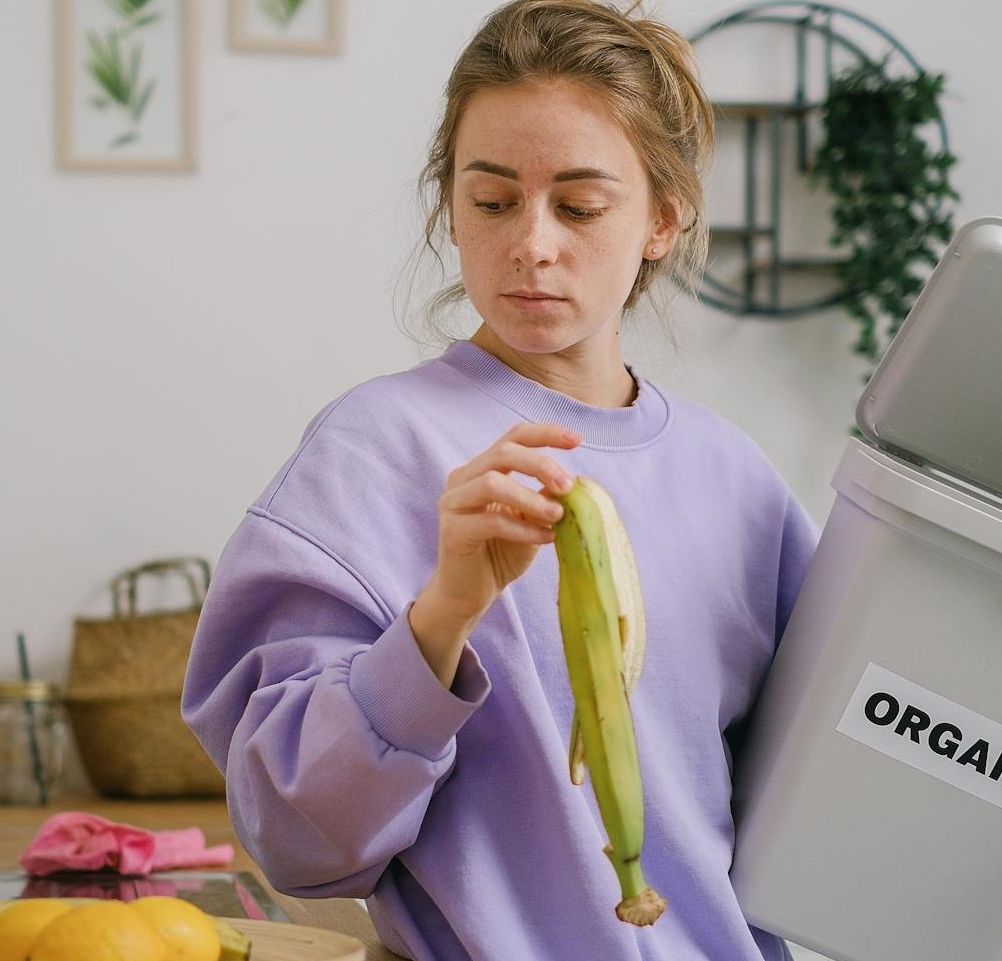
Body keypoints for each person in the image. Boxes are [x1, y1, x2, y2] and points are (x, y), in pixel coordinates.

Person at [183, 2, 819, 958]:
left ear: (662, 218)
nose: (531, 242)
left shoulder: (738, 484)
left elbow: (818, 796)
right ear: (451, 205)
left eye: (579, 205)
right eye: (491, 201)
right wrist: (442, 614)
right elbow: (295, 837)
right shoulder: (369, 451)